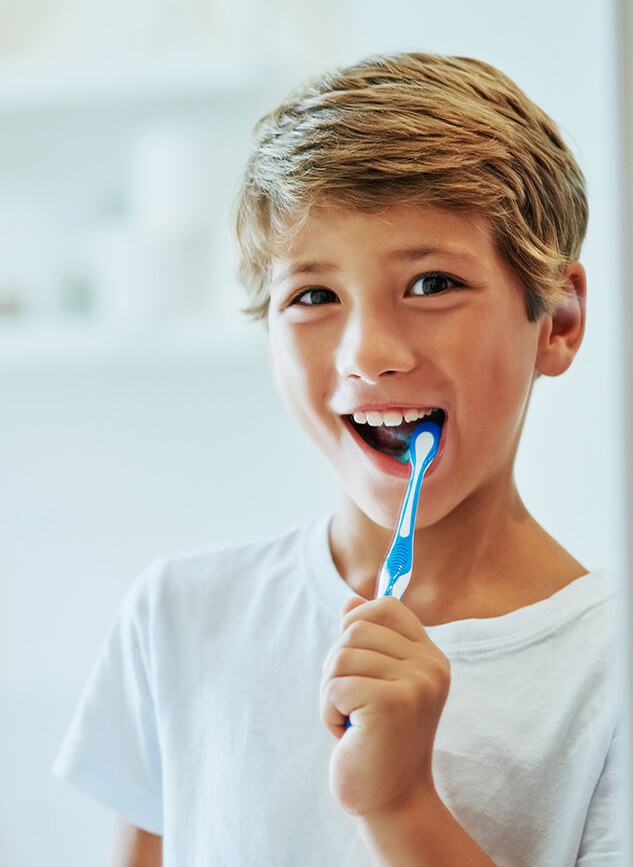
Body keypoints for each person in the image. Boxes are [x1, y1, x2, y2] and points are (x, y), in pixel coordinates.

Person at [53, 52, 624, 866]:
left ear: (557, 320)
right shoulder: (178, 618)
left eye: (430, 284)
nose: (369, 353)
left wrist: (400, 806)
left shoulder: (606, 671)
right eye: (313, 296)